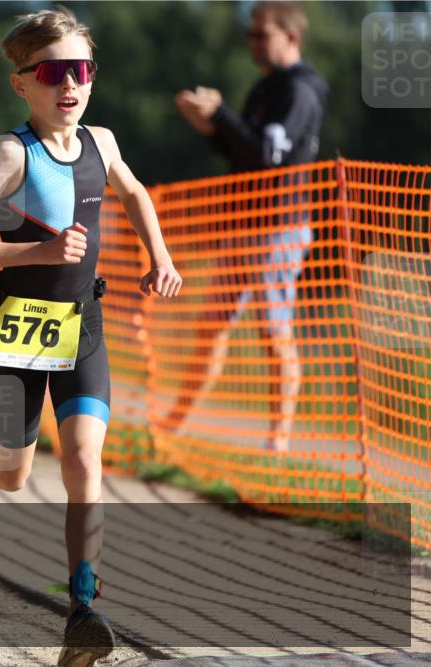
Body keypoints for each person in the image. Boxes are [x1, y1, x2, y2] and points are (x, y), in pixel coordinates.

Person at [0, 7, 181, 665]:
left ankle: (83, 605)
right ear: (22, 83)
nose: (69, 85)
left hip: (84, 328)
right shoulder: (10, 154)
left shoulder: (102, 143)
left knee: (83, 459)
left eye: (81, 70)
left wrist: (158, 255)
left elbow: (134, 194)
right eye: (53, 72)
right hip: (19, 330)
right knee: (13, 473)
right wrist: (35, 255)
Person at [173, 1, 328, 451]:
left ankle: (278, 440)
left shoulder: (300, 89)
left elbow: (269, 155)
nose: (254, 43)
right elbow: (245, 154)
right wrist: (210, 127)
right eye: (251, 34)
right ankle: (176, 422)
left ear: (291, 36)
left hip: (278, 227)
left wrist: (220, 114)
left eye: (263, 34)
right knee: (212, 326)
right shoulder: (267, 89)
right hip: (245, 224)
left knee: (272, 329)